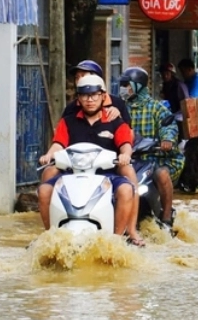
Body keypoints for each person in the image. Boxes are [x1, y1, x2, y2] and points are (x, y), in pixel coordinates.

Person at [37, 75, 137, 242]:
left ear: (103, 97)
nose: (89, 100)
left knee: (126, 190)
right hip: (71, 174)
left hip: (106, 175)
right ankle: (50, 236)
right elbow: (58, 144)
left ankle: (117, 239)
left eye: (94, 95)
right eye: (84, 95)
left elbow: (125, 144)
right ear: (78, 99)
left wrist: (125, 155)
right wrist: (49, 155)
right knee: (44, 190)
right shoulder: (68, 122)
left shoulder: (116, 121)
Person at [120, 67, 183, 230]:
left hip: (156, 158)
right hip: (130, 160)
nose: (123, 88)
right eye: (122, 84)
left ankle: (167, 216)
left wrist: (167, 140)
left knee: (161, 174)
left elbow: (168, 125)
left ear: (137, 86)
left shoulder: (156, 108)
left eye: (127, 85)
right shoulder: (120, 109)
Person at [63, 60, 130, 124]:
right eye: (77, 77)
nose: (79, 80)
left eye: (83, 76)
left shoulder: (117, 103)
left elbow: (128, 132)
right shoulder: (71, 108)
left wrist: (119, 118)